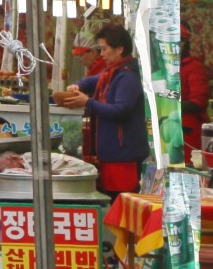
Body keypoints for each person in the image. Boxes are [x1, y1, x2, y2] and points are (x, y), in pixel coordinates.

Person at [57, 22, 150, 194]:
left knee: (122, 201)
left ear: (119, 49)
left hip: (124, 155)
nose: (101, 54)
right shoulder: (111, 73)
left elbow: (121, 110)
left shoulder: (127, 76)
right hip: (111, 154)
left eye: (104, 49)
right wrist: (77, 86)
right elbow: (91, 80)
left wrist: (88, 102)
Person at [182, 26, 210, 154]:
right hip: (168, 129)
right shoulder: (163, 67)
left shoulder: (194, 67)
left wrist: (169, 106)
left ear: (183, 43)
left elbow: (198, 102)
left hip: (188, 130)